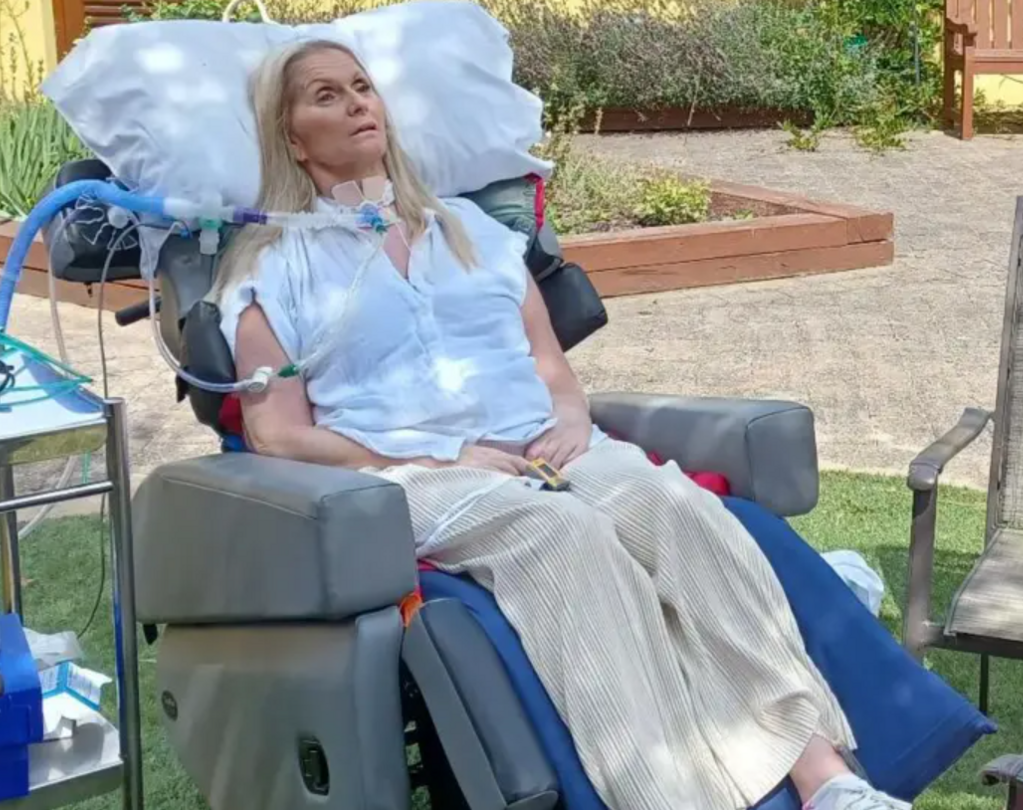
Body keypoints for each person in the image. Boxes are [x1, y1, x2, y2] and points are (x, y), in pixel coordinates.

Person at [213, 37, 910, 810]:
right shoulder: (273, 264)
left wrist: (574, 417)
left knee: (676, 510)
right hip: (402, 475)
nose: (355, 103)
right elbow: (277, 434)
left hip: (549, 445)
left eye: (362, 86)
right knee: (567, 539)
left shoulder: (471, 233)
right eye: (325, 96)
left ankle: (828, 778)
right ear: (291, 137)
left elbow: (549, 365)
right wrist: (450, 453)